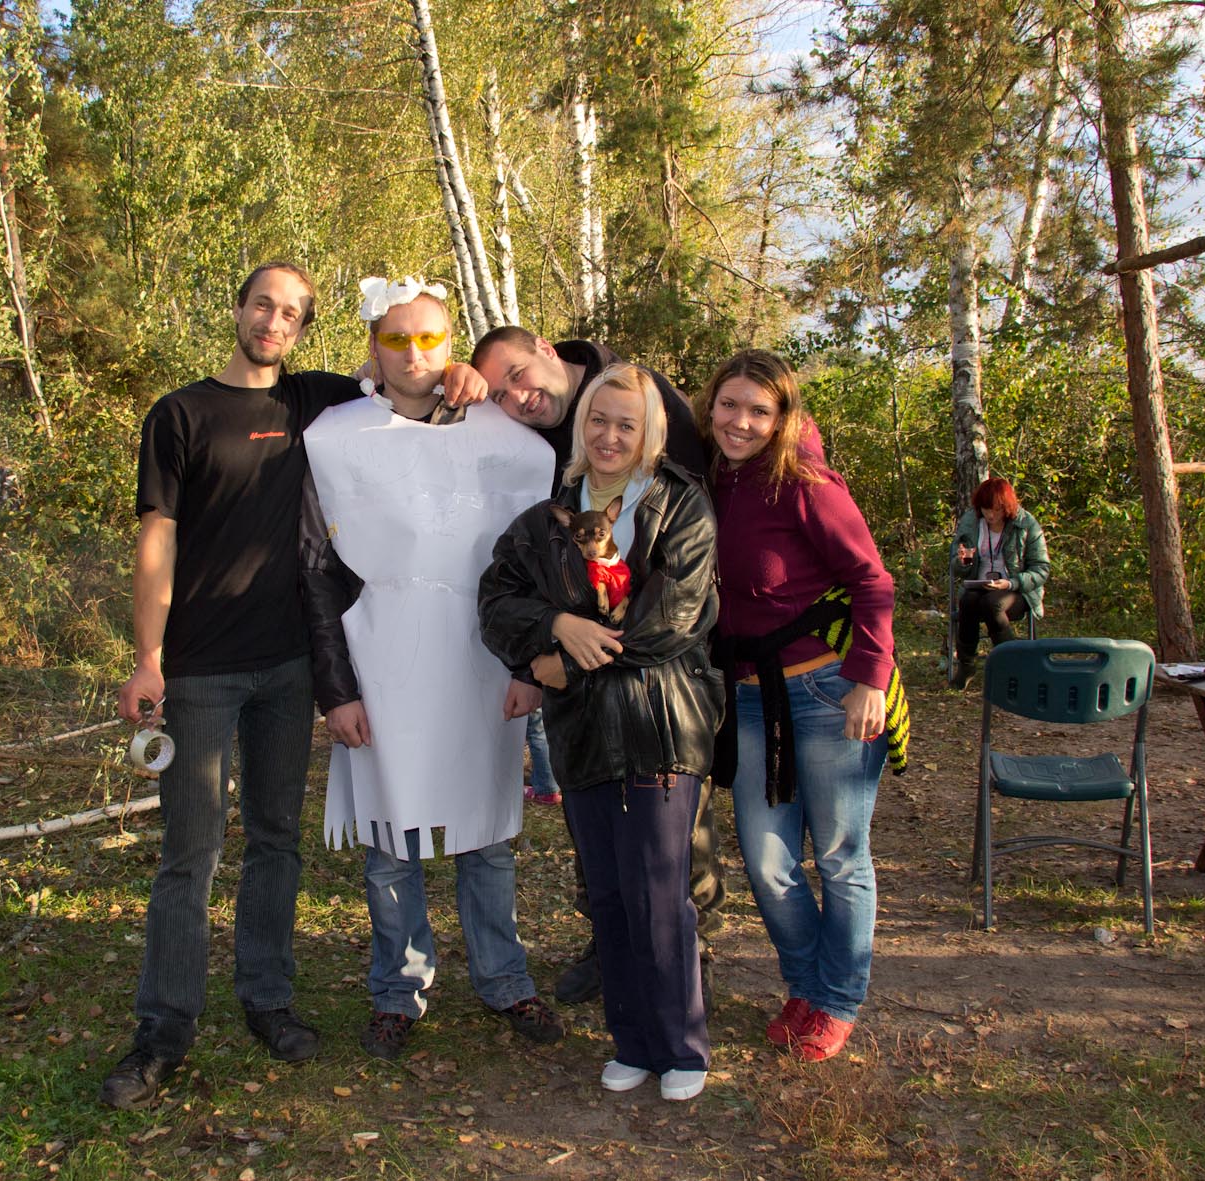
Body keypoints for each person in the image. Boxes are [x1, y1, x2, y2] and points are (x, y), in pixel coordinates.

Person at [100, 262, 486, 1109]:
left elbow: (406, 380)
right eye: (262, 305)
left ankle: (267, 999)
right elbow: (157, 538)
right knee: (191, 853)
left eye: (291, 313)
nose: (273, 322)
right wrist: (148, 655)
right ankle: (162, 1030)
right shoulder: (180, 414)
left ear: (305, 329)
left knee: (277, 839)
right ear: (238, 309)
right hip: (199, 667)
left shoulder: (316, 401)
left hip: (289, 668)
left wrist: (465, 370)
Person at [299, 276, 564, 1060]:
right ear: (372, 346)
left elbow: (537, 561)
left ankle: (504, 979)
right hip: (380, 659)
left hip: (482, 656)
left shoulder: (503, 437)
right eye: (396, 338)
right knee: (391, 839)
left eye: (429, 338)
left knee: (486, 836)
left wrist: (530, 664)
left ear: (451, 345)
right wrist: (337, 690)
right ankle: (398, 989)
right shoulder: (336, 438)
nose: (413, 354)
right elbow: (318, 571)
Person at [479, 362, 724, 1102]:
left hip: (660, 722)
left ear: (650, 431)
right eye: (598, 420)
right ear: (580, 425)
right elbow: (495, 602)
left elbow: (675, 616)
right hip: (583, 735)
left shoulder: (680, 505)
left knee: (660, 891)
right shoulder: (546, 520)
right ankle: (633, 1041)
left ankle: (681, 1046)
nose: (610, 436)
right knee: (609, 893)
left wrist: (570, 660)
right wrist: (554, 628)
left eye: (627, 423)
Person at [697, 349, 907, 1064]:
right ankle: (806, 983)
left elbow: (872, 581)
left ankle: (836, 999)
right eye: (730, 405)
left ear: (782, 417)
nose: (741, 421)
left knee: (842, 856)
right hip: (751, 697)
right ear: (710, 405)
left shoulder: (806, 483)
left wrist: (869, 678)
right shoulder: (712, 478)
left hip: (826, 693)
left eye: (760, 410)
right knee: (767, 860)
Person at [950, 477, 1050, 689]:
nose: (990, 515)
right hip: (979, 585)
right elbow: (956, 567)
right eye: (986, 509)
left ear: (1007, 507)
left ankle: (1012, 667)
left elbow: (1041, 569)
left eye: (996, 510)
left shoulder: (1026, 524)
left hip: (1016, 590)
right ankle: (966, 665)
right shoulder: (971, 522)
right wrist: (964, 561)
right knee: (967, 600)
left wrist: (1011, 583)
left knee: (992, 604)